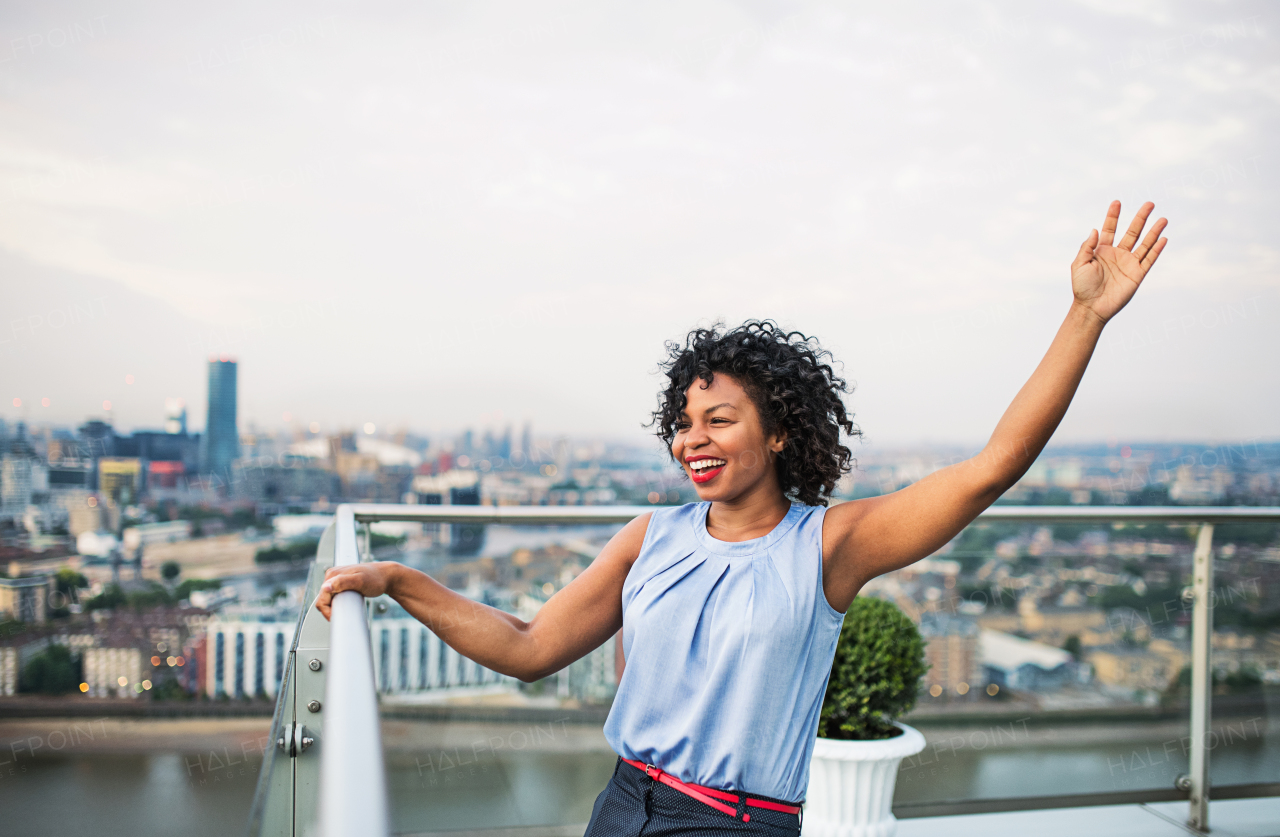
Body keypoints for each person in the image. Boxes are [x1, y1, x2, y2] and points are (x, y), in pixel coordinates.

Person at [314, 200, 1169, 836]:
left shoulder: (828, 546)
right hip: (621, 803)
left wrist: (1085, 315)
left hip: (733, 824)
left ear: (781, 430)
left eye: (719, 420)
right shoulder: (651, 536)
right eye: (684, 423)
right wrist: (397, 580)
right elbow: (530, 646)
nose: (695, 440)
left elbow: (992, 469)